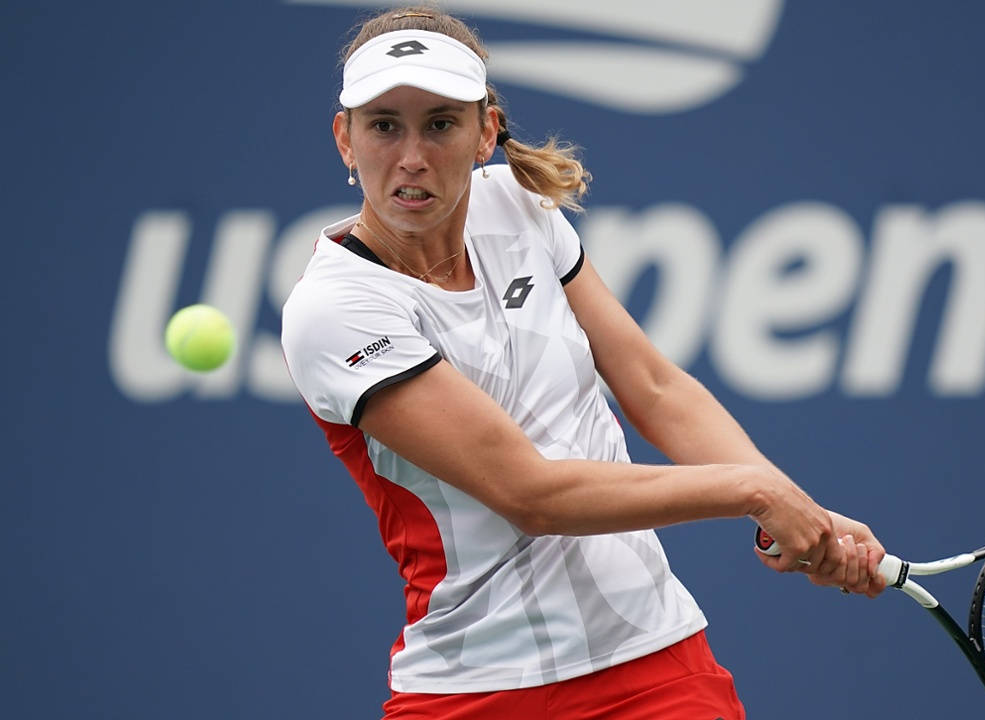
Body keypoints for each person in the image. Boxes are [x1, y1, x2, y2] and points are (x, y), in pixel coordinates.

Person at [280, 6, 887, 719]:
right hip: (479, 691)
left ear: (486, 133)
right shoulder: (337, 310)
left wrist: (800, 511)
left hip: (656, 665)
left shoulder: (519, 207)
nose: (411, 155)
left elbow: (655, 387)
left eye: (440, 123)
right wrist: (756, 493)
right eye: (384, 125)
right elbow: (532, 496)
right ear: (344, 139)